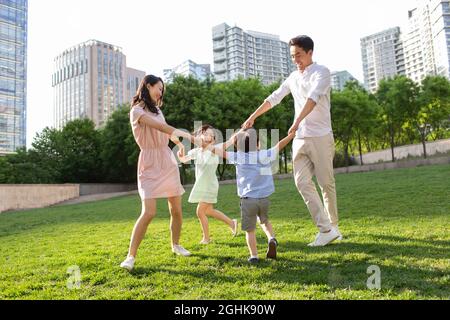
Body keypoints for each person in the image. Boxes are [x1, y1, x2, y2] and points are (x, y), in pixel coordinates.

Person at [242, 35, 342, 247]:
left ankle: (333, 228)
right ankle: (325, 229)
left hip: (321, 136)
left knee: (326, 184)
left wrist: (296, 121)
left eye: (298, 55)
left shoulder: (322, 72)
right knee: (301, 182)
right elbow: (274, 98)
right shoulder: (292, 77)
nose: (295, 59)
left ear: (309, 53)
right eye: (292, 56)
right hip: (300, 137)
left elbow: (313, 99)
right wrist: (253, 116)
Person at [120, 75, 200, 272]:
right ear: (148, 86)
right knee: (149, 212)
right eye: (159, 88)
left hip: (166, 160)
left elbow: (166, 133)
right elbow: (160, 127)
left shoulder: (158, 111)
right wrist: (189, 136)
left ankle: (176, 245)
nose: (160, 92)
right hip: (148, 161)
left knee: (176, 209)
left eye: (162, 90)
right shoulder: (136, 111)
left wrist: (180, 145)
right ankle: (130, 256)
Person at [226, 128, 295, 263]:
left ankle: (254, 256)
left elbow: (215, 150)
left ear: (237, 147)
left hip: (248, 200)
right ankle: (271, 238)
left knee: (249, 230)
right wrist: (291, 135)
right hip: (264, 199)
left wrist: (232, 139)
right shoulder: (263, 155)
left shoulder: (238, 157)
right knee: (264, 221)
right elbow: (279, 145)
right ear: (257, 144)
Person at [177, 125, 239, 244]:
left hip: (210, 185)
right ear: (199, 135)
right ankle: (232, 223)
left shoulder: (215, 149)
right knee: (209, 211)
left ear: (213, 138)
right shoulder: (196, 151)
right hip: (201, 185)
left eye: (210, 134)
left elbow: (230, 142)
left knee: (200, 211)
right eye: (205, 133)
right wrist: (181, 156)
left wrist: (241, 130)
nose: (208, 136)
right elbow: (184, 160)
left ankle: (206, 238)